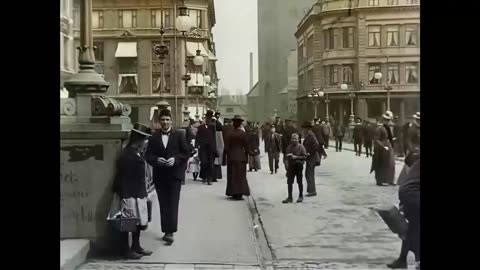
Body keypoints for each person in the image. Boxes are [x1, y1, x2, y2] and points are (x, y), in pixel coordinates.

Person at [145, 109, 190, 244]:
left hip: (175, 175)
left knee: (173, 203)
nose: (165, 122)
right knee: (163, 204)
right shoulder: (153, 137)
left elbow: (186, 153)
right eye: (163, 120)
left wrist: (175, 160)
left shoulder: (179, 135)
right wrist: (156, 160)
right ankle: (165, 230)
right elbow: (148, 155)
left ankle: (170, 232)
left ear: (172, 121)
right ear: (159, 122)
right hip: (160, 175)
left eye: (167, 120)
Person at [112, 123, 153, 259]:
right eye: (145, 139)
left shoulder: (136, 152)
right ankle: (125, 250)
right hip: (129, 194)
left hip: (138, 193)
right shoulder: (127, 155)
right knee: (128, 223)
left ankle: (136, 246)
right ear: (138, 140)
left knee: (139, 222)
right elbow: (123, 177)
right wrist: (124, 195)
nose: (146, 142)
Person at [224, 115, 250, 200]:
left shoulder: (229, 133)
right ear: (240, 124)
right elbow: (246, 148)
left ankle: (233, 192)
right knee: (241, 176)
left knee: (232, 175)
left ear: (234, 123)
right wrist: (246, 158)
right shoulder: (243, 134)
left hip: (232, 157)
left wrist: (226, 157)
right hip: (241, 157)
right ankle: (240, 193)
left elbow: (226, 147)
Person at [370, 112, 396, 186]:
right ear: (383, 120)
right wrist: (382, 146)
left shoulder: (389, 128)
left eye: (388, 120)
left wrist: (392, 142)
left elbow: (390, 137)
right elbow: (376, 139)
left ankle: (390, 180)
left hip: (389, 148)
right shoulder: (379, 128)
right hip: (381, 149)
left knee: (391, 164)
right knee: (381, 164)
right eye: (386, 120)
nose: (387, 121)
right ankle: (380, 180)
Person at [282, 133, 307, 203]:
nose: (294, 140)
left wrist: (297, 157)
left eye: (295, 138)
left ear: (298, 139)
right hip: (291, 166)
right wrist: (286, 165)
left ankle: (300, 196)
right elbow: (285, 158)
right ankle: (290, 197)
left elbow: (305, 157)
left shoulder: (301, 147)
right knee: (289, 182)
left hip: (298, 166)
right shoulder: (289, 147)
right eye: (292, 138)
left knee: (299, 181)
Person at [302, 121, 325, 197]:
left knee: (309, 174)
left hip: (312, 158)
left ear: (307, 129)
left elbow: (316, 145)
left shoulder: (311, 135)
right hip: (310, 158)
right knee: (308, 174)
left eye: (304, 129)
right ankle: (310, 190)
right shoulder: (308, 135)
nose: (303, 130)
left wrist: (309, 153)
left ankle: (312, 191)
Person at [195, 110, 217, 185]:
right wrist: (196, 145)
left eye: (210, 118)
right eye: (207, 118)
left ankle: (209, 178)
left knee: (210, 163)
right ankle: (204, 176)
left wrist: (215, 147)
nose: (208, 120)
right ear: (205, 118)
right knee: (204, 162)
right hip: (203, 148)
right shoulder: (201, 127)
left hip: (211, 148)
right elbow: (197, 137)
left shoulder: (212, 127)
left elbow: (214, 138)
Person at [212, 112, 225, 182]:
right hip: (218, 141)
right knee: (217, 159)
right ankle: (215, 176)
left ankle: (212, 176)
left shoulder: (211, 124)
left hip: (215, 141)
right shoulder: (219, 124)